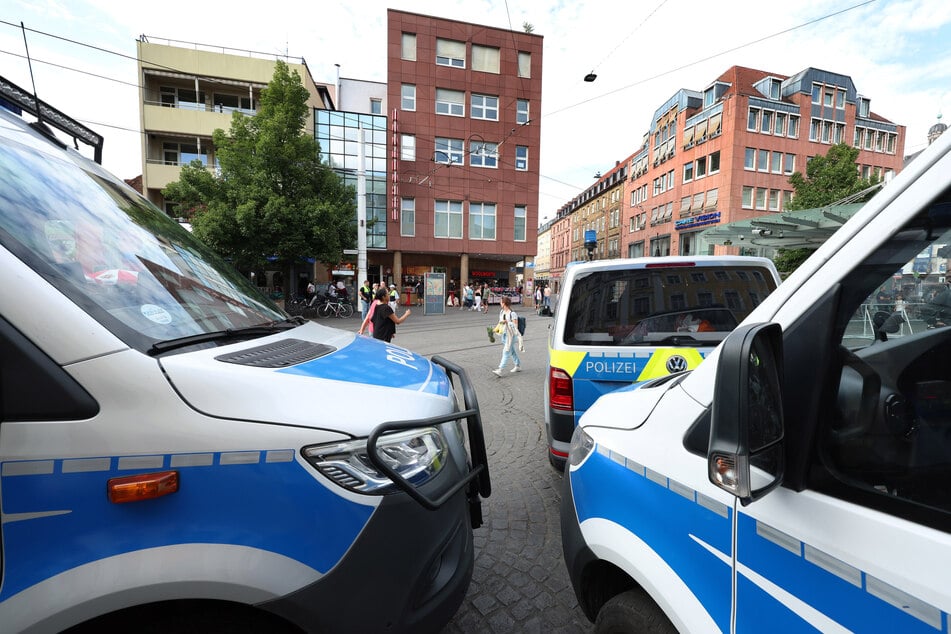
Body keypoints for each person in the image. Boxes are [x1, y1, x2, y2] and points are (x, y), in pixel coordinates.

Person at [492, 295, 523, 376]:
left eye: (501, 302)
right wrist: (495, 329)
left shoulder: (512, 314)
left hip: (511, 335)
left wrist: (507, 322)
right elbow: (500, 323)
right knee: (511, 350)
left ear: (504, 303)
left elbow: (515, 326)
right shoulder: (502, 312)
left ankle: (500, 370)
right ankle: (518, 365)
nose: (500, 304)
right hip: (504, 334)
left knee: (506, 351)